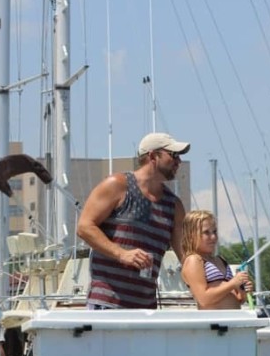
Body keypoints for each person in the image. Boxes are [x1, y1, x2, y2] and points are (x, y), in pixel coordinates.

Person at [77, 132, 189, 309]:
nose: (179, 161)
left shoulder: (174, 206)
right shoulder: (117, 185)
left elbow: (186, 255)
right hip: (107, 305)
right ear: (153, 156)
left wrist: (218, 279)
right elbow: (84, 227)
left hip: (146, 310)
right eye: (174, 155)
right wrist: (122, 254)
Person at [180, 210, 252, 309]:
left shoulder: (220, 260)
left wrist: (242, 290)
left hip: (232, 319)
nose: (213, 237)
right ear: (191, 235)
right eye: (206, 232)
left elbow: (238, 299)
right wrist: (232, 283)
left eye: (214, 232)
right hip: (213, 322)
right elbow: (204, 299)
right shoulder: (194, 260)